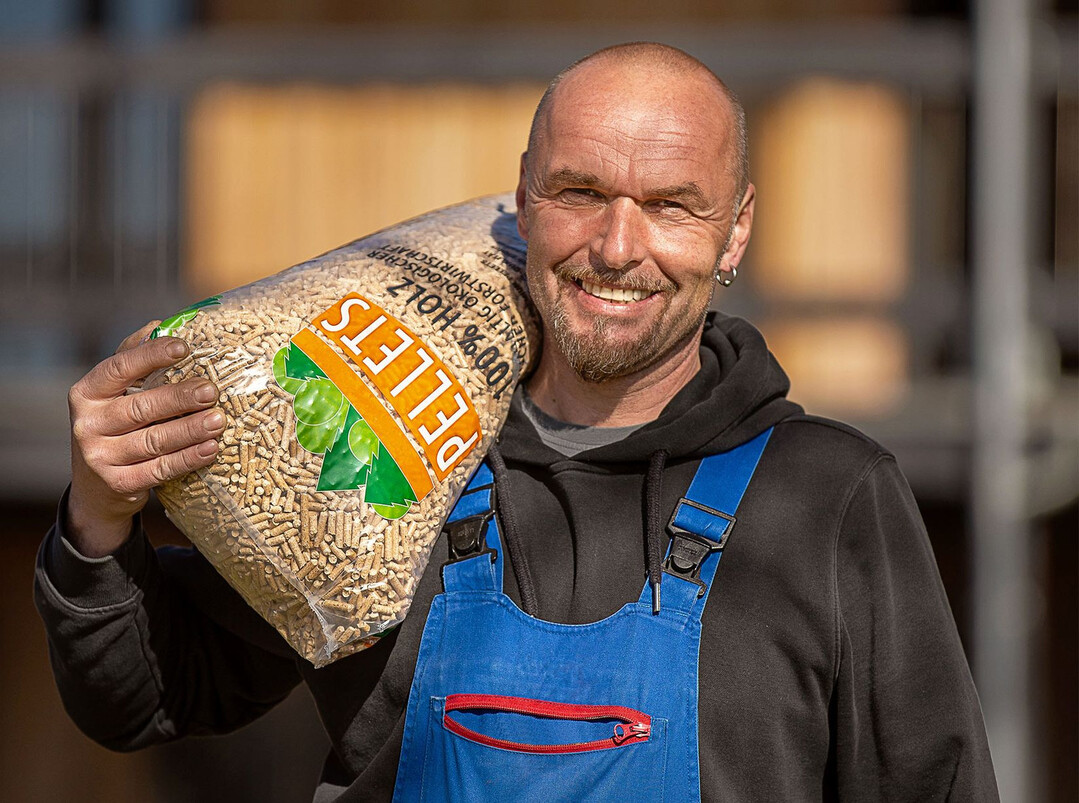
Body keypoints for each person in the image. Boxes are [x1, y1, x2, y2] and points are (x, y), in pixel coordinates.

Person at [35, 43, 998, 801]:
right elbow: (150, 698)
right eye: (581, 193)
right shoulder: (398, 450)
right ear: (527, 193)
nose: (619, 248)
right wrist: (96, 523)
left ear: (736, 228)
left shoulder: (827, 497)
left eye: (671, 206)